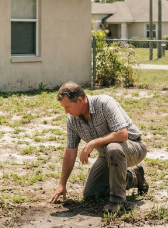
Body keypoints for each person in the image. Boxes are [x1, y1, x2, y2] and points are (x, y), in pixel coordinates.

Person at [49, 81, 148, 213]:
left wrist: (93, 143)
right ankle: (135, 176)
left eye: (68, 107)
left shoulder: (104, 103)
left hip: (134, 147)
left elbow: (122, 134)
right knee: (92, 192)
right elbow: (70, 152)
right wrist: (62, 184)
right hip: (107, 156)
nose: (66, 111)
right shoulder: (72, 121)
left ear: (79, 100)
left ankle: (118, 201)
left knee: (113, 147)